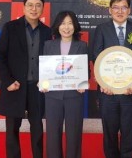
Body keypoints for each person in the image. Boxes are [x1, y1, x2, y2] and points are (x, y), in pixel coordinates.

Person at [0, 0, 51, 158]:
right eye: (30, 5)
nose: (34, 9)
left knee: (38, 129)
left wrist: (46, 81)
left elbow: (51, 60)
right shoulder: (10, 27)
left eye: (38, 5)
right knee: (12, 129)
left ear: (43, 8)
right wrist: (8, 81)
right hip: (15, 86)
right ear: (24, 7)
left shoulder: (47, 32)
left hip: (37, 87)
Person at [93, 0, 132, 158]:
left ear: (129, 10)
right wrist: (103, 83)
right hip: (107, 91)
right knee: (109, 133)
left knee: (128, 132)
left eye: (123, 7)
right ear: (110, 10)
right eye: (116, 7)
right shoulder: (102, 29)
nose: (120, 11)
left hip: (130, 91)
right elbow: (97, 56)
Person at [41, 11, 88, 158]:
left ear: (75, 26)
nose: (66, 27)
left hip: (74, 95)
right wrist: (44, 83)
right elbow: (45, 69)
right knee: (52, 132)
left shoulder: (81, 45)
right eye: (63, 23)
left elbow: (86, 69)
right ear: (57, 26)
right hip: (53, 95)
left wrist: (83, 83)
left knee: (74, 132)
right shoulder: (48, 45)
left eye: (70, 23)